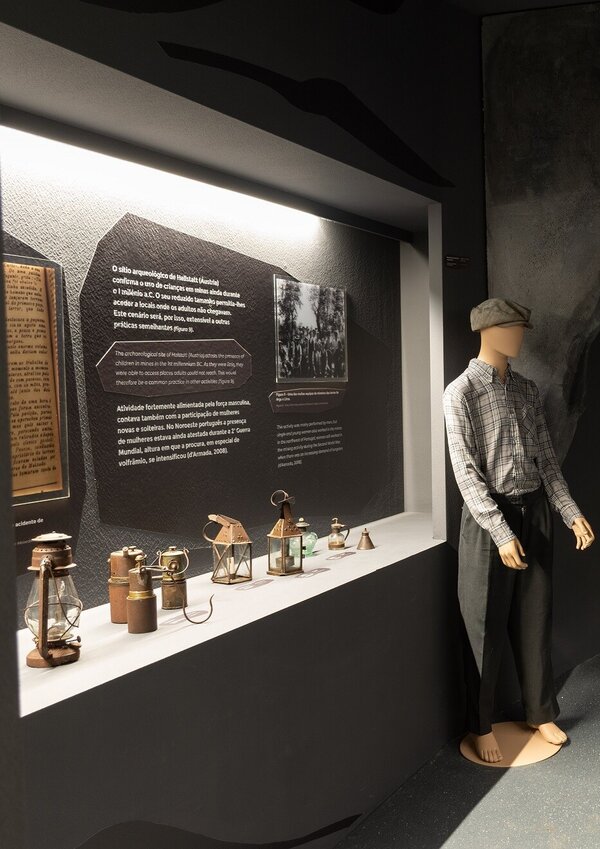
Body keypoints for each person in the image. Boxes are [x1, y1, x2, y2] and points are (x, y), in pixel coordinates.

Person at [443, 298, 595, 763]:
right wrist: (499, 530)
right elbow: (466, 472)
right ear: (487, 331)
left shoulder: (527, 390)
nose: (520, 337)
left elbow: (546, 460)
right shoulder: (460, 393)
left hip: (535, 513)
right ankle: (481, 725)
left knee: (535, 617)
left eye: (521, 329)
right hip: (489, 518)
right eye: (513, 328)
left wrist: (568, 511)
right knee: (482, 625)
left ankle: (540, 712)